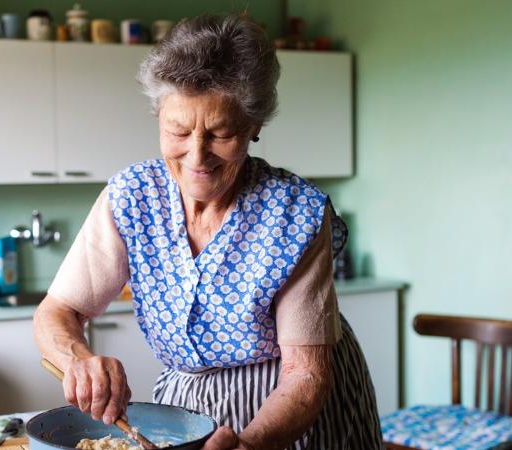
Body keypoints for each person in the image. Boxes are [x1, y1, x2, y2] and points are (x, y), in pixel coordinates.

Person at [33, 13, 382, 450]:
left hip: (291, 413)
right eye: (178, 130)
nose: (197, 155)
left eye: (220, 133)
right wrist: (78, 360)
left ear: (254, 126)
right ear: (159, 117)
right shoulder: (131, 196)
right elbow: (57, 311)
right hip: (186, 407)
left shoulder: (296, 213)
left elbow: (305, 375)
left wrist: (251, 444)